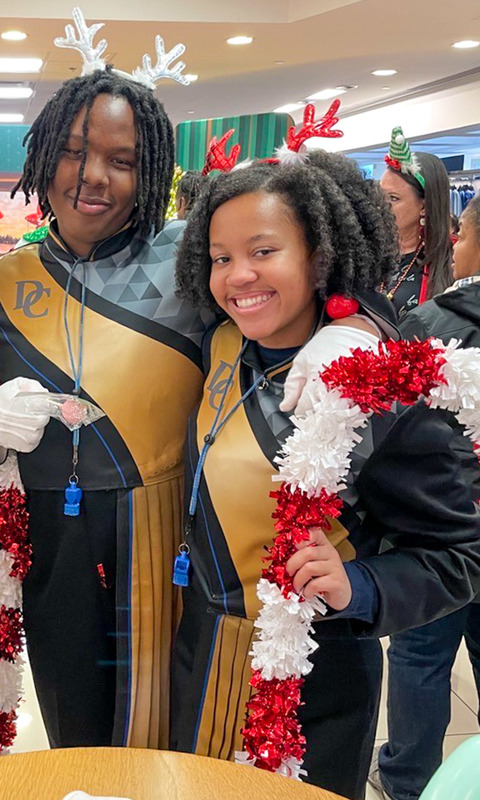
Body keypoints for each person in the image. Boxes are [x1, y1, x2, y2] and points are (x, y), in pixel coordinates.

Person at [0, 27, 394, 750]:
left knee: (175, 727)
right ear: (41, 156)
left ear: (151, 172)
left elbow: (326, 283)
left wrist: (360, 329)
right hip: (54, 542)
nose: (91, 175)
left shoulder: (192, 259)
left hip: (174, 537)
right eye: (72, 151)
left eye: (121, 161)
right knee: (73, 716)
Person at [169, 149, 480, 799]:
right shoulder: (222, 342)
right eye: (221, 257)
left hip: (315, 678)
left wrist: (359, 584)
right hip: (200, 654)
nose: (238, 276)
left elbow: (459, 552)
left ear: (321, 254)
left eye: (263, 251)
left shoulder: (378, 389)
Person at [371, 196, 480, 800]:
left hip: (436, 526)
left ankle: (409, 780)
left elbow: (387, 427)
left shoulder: (432, 322)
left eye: (463, 233)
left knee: (420, 656)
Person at [379, 128, 453, 320]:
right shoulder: (368, 252)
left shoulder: (452, 261)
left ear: (424, 206)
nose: (380, 206)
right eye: (379, 196)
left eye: (393, 199)